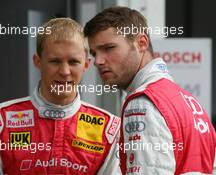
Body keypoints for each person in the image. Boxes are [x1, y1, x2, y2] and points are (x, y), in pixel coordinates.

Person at [0, 17, 121, 175]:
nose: (64, 71)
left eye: (73, 61)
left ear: (86, 64)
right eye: (55, 61)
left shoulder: (108, 129)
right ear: (38, 62)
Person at [84, 6, 216, 175]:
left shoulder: (143, 102)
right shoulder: (191, 103)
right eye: (94, 53)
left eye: (109, 48)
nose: (98, 61)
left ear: (142, 43)